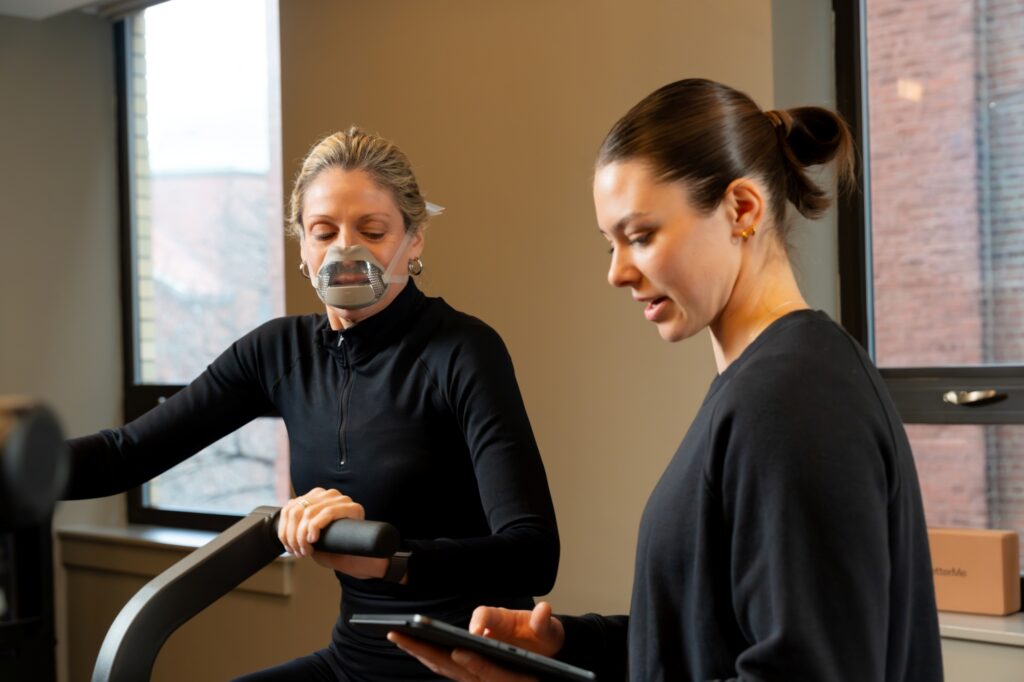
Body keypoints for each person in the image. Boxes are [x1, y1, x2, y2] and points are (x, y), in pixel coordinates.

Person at [392, 79, 944, 681]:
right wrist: (568, 648)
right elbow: (709, 638)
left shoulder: (793, 398)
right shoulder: (767, 384)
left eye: (640, 236)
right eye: (610, 244)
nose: (617, 272)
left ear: (742, 209)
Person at [63, 126, 560, 681]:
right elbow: (125, 454)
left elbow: (533, 553)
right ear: (301, 245)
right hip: (353, 660)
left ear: (415, 238)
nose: (345, 250)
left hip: (461, 666)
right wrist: (20, 466)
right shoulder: (278, 352)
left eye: (372, 231)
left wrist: (392, 559)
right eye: (324, 232)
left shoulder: (462, 351)